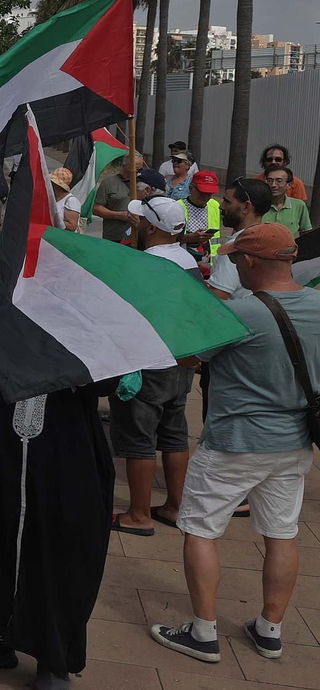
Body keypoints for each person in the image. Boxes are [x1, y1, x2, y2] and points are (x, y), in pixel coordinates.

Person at [150, 224, 317, 664]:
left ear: (251, 262)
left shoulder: (242, 314)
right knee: (282, 534)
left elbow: (186, 354)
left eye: (236, 258)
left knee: (202, 531)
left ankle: (203, 634)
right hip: (294, 442)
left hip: (233, 442)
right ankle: (269, 630)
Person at [0, 370, 118, 690]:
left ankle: (53, 659)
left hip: (66, 453)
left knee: (59, 554)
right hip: (1, 442)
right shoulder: (8, 318)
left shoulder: (93, 325)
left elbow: (108, 381)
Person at [110, 197, 198, 537]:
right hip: (183, 361)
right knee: (175, 435)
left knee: (140, 438)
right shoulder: (188, 261)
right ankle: (175, 506)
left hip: (150, 362)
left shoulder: (142, 264)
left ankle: (138, 514)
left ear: (150, 227)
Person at [208, 179, 274, 300]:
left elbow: (217, 298)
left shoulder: (234, 248)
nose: (221, 206)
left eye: (227, 201)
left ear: (246, 207)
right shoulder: (268, 241)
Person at [179, 171, 222, 266]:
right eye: (202, 192)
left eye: (209, 193)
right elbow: (167, 239)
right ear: (191, 188)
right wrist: (189, 238)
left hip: (210, 264)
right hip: (184, 263)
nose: (206, 196)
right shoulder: (178, 206)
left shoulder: (215, 205)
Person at [92, 157, 136, 242]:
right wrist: (119, 215)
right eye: (136, 168)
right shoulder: (108, 183)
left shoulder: (144, 183)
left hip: (137, 236)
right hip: (114, 236)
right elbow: (96, 209)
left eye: (140, 168)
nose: (138, 171)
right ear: (125, 166)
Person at [262, 166, 312, 235]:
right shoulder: (258, 204)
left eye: (279, 181)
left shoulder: (299, 205)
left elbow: (305, 233)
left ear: (289, 185)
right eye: (269, 181)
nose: (273, 185)